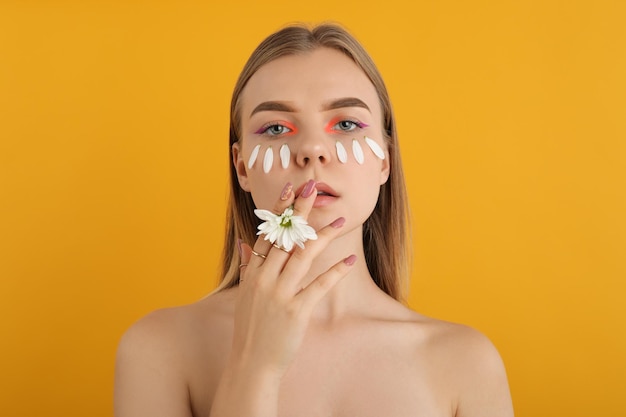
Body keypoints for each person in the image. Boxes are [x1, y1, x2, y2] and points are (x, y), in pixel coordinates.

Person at [114, 23, 514, 417]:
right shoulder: (158, 349)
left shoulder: (466, 362)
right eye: (276, 128)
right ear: (242, 167)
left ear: (385, 160)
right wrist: (255, 365)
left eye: (345, 124)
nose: (311, 150)